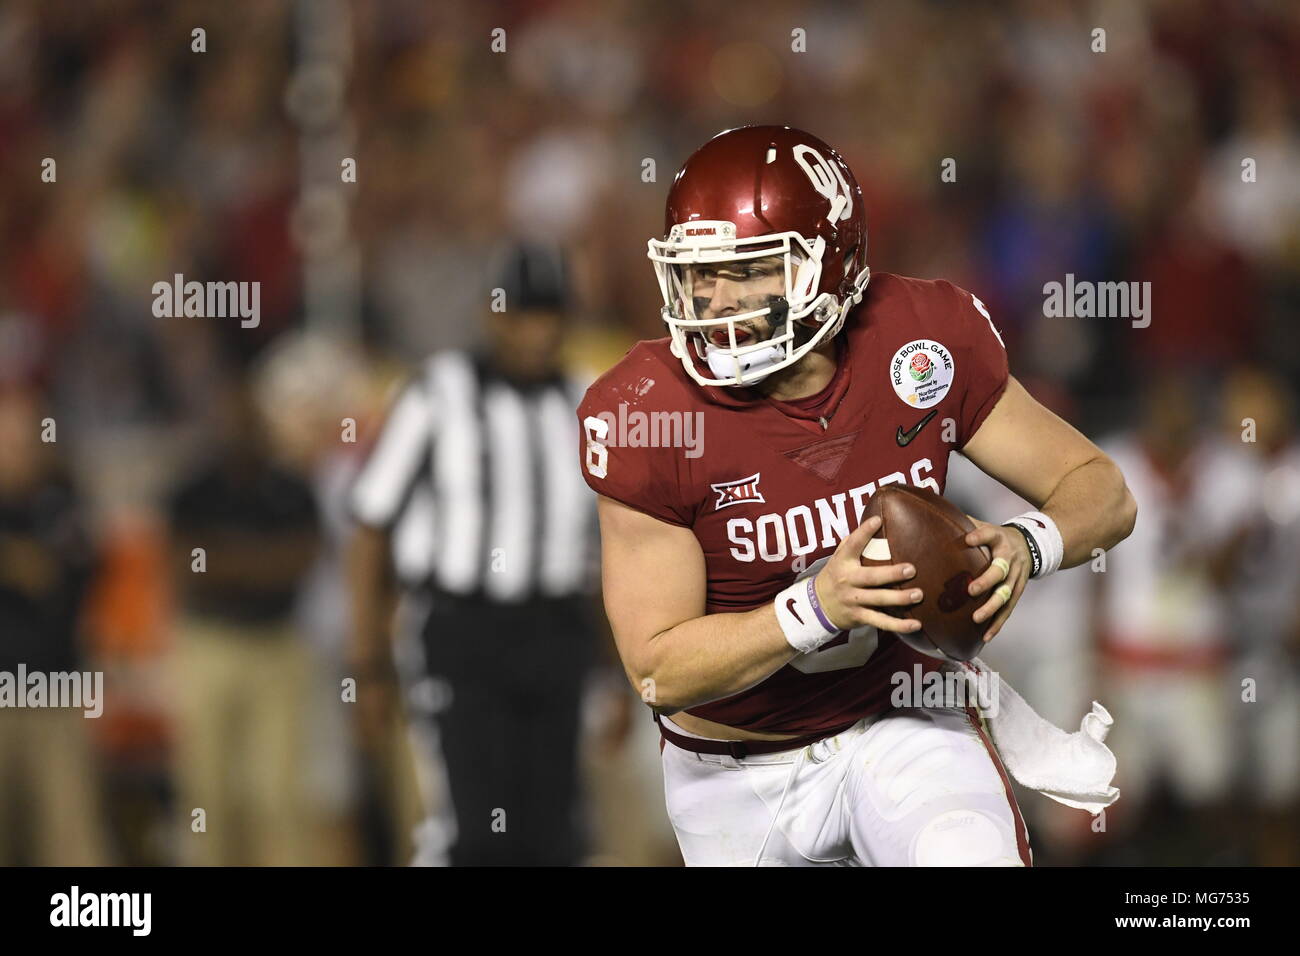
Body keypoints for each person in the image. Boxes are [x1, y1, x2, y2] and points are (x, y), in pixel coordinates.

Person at [577, 125, 1137, 867]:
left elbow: (1103, 494)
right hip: (732, 777)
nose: (713, 301)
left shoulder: (920, 341)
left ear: (829, 264)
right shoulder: (649, 411)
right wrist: (816, 609)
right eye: (699, 275)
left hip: (905, 721)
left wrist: (1026, 546)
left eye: (746, 271)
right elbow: (658, 668)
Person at [349, 243, 600, 866]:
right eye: (523, 315)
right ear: (493, 317)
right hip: (463, 633)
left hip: (556, 631)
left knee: (554, 833)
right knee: (468, 829)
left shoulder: (588, 402)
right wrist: (369, 664)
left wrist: (615, 671)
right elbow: (370, 526)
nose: (538, 332)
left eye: (549, 314)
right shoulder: (437, 393)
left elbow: (605, 549)